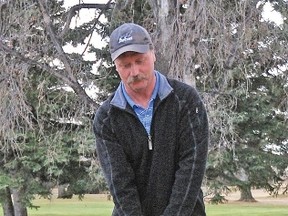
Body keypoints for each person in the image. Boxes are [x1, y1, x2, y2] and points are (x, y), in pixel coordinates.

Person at [93, 23, 209, 216]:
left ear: (153, 53)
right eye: (126, 65)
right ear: (116, 67)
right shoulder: (106, 119)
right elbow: (120, 184)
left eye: (140, 60)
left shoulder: (186, 101)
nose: (135, 71)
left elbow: (191, 170)